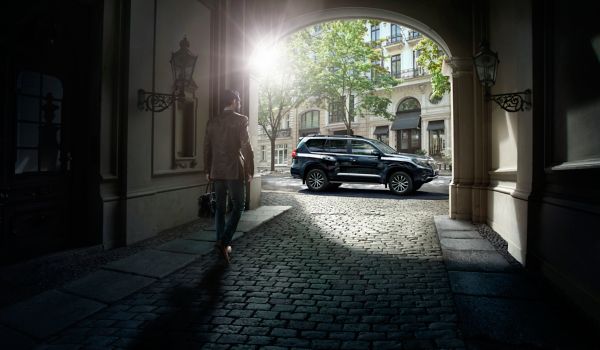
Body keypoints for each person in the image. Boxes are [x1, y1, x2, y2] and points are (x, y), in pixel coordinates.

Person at [204, 89, 254, 264]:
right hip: (234, 171)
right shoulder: (241, 120)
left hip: (216, 171)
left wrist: (207, 170)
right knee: (239, 205)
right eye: (238, 101)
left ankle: (222, 244)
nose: (239, 103)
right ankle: (224, 241)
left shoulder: (212, 122)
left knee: (219, 208)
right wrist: (250, 170)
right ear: (233, 101)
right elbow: (246, 146)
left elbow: (207, 148)